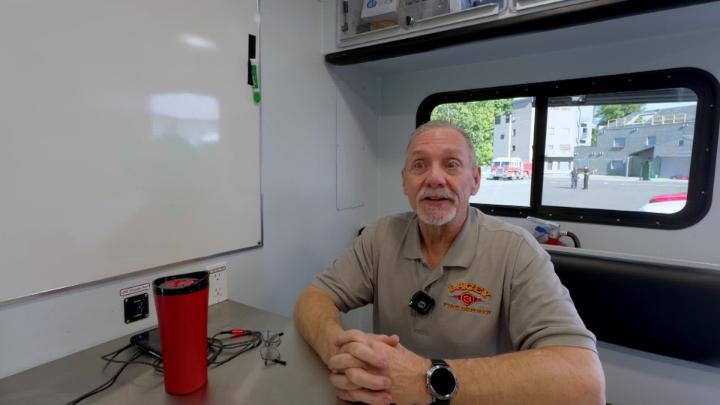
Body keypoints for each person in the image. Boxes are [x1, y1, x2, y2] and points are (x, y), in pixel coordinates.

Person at [294, 120, 605, 405]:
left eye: (451, 164)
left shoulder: (516, 251)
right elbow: (314, 298)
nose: (434, 178)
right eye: (419, 165)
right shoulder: (381, 236)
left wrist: (426, 380)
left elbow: (585, 383)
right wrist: (337, 353)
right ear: (405, 182)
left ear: (475, 180)